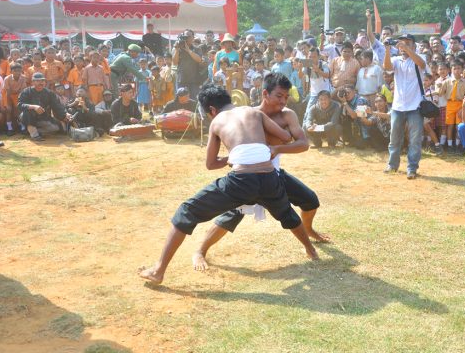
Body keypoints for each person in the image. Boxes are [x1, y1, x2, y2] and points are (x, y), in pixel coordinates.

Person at [139, 86, 318, 284]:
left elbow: (211, 164)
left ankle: (158, 270)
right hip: (269, 176)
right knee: (286, 213)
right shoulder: (253, 112)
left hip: (241, 180)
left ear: (212, 110)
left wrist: (233, 155)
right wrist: (257, 145)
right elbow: (285, 137)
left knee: (186, 211)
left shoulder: (217, 122)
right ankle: (311, 250)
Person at [192, 74, 327, 271]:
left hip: (274, 173)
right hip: (246, 176)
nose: (283, 101)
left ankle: (308, 231)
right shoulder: (249, 114)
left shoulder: (288, 115)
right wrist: (235, 161)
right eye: (279, 96)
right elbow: (229, 149)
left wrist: (278, 149)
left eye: (286, 97)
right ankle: (200, 251)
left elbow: (303, 144)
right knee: (232, 215)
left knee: (310, 200)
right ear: (265, 93)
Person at [383, 34, 427, 179]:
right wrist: (388, 49)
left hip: (415, 106)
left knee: (415, 140)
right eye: (402, 43)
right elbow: (387, 67)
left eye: (408, 43)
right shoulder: (396, 60)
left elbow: (422, 64)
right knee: (394, 138)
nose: (403, 45)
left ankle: (412, 168)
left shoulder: (419, 57)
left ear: (414, 45)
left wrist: (408, 49)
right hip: (397, 106)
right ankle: (392, 165)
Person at [18, 72, 72, 141]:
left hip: (43, 117)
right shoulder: (26, 91)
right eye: (38, 81)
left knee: (56, 128)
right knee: (27, 113)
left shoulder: (49, 93)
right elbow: (20, 105)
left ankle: (30, 131)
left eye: (42, 81)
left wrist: (65, 114)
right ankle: (34, 134)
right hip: (28, 116)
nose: (41, 83)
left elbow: (57, 106)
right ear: (33, 82)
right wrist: (34, 107)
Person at [436, 60, 465, 154]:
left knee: (457, 126)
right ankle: (450, 145)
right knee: (450, 125)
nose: (456, 70)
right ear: (451, 70)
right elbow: (440, 94)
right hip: (450, 104)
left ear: (462, 70)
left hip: (460, 104)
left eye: (458, 68)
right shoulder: (447, 82)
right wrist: (438, 87)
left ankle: (457, 145)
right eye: (454, 68)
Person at [173, 29, 204, 98]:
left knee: (193, 101)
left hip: (194, 80)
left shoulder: (197, 48)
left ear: (193, 37)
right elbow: (175, 62)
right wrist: (177, 49)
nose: (186, 38)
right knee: (181, 101)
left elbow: (199, 60)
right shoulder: (178, 48)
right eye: (185, 37)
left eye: (189, 36)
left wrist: (188, 50)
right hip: (181, 79)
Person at [3, 63, 27, 136]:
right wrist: (11, 104)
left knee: (19, 110)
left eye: (19, 70)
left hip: (19, 96)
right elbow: (8, 92)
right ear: (11, 71)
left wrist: (16, 103)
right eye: (15, 70)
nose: (17, 72)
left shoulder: (23, 78)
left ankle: (22, 127)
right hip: (8, 96)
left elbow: (22, 91)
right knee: (8, 110)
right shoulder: (7, 79)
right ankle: (9, 128)